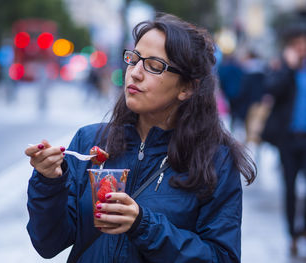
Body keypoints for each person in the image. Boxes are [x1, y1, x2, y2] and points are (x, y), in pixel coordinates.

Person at [25, 13, 256, 263]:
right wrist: (48, 182)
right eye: (133, 59)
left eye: (154, 66)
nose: (135, 73)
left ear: (187, 88)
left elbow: (222, 257)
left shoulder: (215, 161)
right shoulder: (91, 141)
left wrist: (143, 225)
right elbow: (48, 243)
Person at [261, 27, 306, 255]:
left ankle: (303, 227)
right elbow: (271, 90)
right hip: (288, 139)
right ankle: (292, 234)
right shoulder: (284, 68)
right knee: (289, 188)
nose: (301, 47)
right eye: (297, 43)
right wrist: (288, 67)